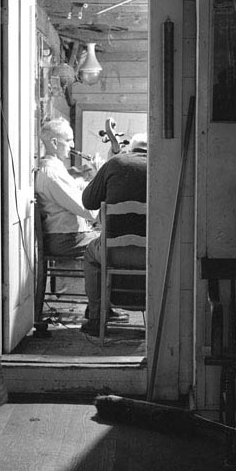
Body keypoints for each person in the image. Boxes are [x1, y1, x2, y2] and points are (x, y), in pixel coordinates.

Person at [81, 133, 148, 335]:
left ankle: (96, 319)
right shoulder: (163, 164)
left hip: (113, 254)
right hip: (153, 255)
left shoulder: (117, 163)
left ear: (131, 149)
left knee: (90, 255)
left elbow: (88, 202)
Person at [35, 117, 99, 257]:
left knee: (109, 239)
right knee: (113, 243)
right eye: (69, 140)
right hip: (66, 240)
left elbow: (76, 186)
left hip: (68, 237)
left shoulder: (52, 168)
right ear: (54, 143)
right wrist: (101, 178)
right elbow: (88, 211)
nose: (72, 145)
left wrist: (96, 176)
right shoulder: (52, 174)